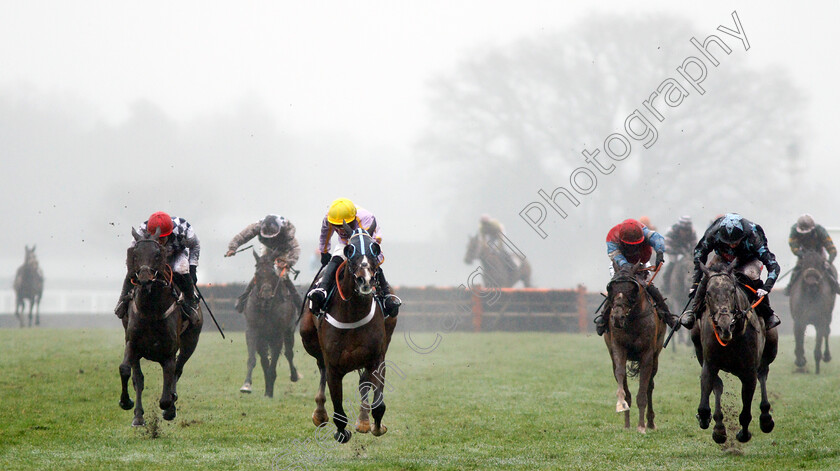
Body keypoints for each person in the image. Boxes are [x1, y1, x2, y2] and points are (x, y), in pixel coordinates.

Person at [680, 213, 781, 330]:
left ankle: (767, 314)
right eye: (728, 242)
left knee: (751, 274)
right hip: (722, 258)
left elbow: (773, 265)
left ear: (743, 236)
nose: (732, 245)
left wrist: (766, 287)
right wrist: (696, 282)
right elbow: (699, 254)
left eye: (735, 242)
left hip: (748, 260)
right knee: (709, 276)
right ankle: (694, 312)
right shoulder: (713, 232)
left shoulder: (753, 235)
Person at [306, 198, 401, 317]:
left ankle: (387, 297)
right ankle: (322, 290)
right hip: (346, 243)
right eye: (337, 226)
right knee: (336, 258)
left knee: (372, 262)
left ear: (353, 218)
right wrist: (324, 251)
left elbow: (371, 240)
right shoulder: (330, 217)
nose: (340, 229)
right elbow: (325, 233)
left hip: (367, 244)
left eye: (342, 225)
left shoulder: (366, 218)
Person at [594, 218, 680, 336]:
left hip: (641, 262)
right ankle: (603, 319)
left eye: (636, 244)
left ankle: (668, 316)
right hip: (620, 265)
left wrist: (660, 251)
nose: (633, 247)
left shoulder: (644, 231)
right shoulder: (612, 238)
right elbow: (617, 257)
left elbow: (657, 238)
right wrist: (628, 268)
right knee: (617, 288)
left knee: (649, 286)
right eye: (630, 245)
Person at [114, 211, 201, 324]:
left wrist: (192, 267)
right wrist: (133, 269)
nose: (160, 241)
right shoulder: (142, 230)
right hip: (153, 256)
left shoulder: (183, 229)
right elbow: (132, 252)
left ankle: (191, 304)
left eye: (162, 238)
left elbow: (195, 246)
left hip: (176, 253)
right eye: (157, 238)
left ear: (169, 233)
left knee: (182, 269)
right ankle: (122, 301)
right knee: (136, 272)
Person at [225, 214, 302, 312]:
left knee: (282, 274)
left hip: (283, 249)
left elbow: (295, 249)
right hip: (268, 248)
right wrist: (232, 248)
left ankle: (299, 305)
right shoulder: (257, 226)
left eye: (273, 236)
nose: (271, 238)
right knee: (262, 270)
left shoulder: (287, 231)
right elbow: (242, 236)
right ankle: (243, 299)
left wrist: (288, 263)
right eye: (268, 236)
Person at [785, 213, 840, 294]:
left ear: (812, 228)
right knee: (797, 268)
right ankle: (790, 286)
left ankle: (835, 285)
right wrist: (801, 255)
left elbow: (832, 249)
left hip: (819, 254)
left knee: (829, 270)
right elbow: (793, 246)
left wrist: (829, 261)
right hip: (803, 254)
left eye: (807, 233)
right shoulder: (794, 230)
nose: (805, 235)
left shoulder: (820, 231)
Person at [661, 216, 698, 292]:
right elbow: (665, 246)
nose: (685, 233)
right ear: (679, 228)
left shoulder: (692, 232)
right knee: (672, 263)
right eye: (683, 230)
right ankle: (665, 285)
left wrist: (691, 253)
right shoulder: (671, 231)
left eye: (687, 230)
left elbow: (695, 246)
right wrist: (676, 251)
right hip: (673, 250)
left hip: (685, 250)